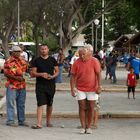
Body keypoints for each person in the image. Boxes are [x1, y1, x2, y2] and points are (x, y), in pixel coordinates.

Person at [70, 45, 101, 134]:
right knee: (82, 107)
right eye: (80, 54)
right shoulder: (76, 62)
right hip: (80, 88)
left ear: (89, 54)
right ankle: (83, 127)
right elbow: (72, 77)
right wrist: (72, 89)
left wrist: (99, 86)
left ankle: (89, 127)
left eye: (83, 54)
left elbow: (98, 74)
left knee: (91, 108)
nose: (81, 56)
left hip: (92, 88)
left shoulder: (94, 61)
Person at [30, 44, 59, 129]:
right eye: (42, 49)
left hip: (51, 84)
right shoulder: (36, 60)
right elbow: (33, 73)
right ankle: (39, 123)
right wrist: (42, 74)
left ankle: (48, 121)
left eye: (45, 49)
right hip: (40, 85)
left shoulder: (53, 60)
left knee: (50, 103)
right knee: (40, 103)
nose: (43, 50)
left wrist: (52, 76)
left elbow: (57, 71)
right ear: (40, 50)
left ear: (48, 50)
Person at [4, 45, 28, 127]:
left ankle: (21, 120)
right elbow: (6, 73)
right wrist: (16, 78)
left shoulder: (23, 61)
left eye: (19, 51)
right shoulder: (8, 61)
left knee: (21, 104)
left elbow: (26, 70)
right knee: (10, 103)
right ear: (12, 52)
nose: (18, 53)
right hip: (12, 85)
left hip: (22, 85)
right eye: (16, 51)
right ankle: (10, 121)